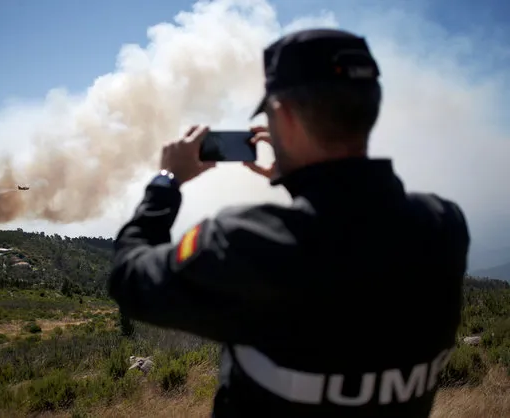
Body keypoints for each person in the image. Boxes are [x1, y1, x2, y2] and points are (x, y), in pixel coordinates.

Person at [108, 28, 470, 418]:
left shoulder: (242, 243)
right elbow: (347, 232)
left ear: (283, 115)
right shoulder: (443, 225)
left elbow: (129, 278)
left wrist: (167, 181)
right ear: (371, 108)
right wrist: (300, 179)